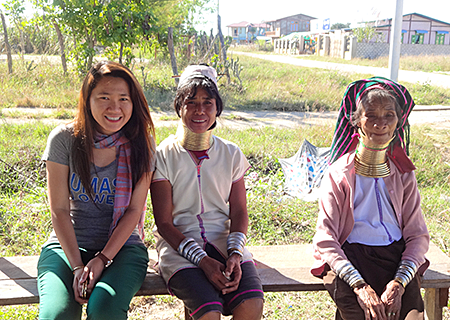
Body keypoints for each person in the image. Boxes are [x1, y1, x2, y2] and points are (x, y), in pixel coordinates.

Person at [37, 61, 155, 320]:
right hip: (67, 245)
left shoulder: (140, 144)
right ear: (87, 100)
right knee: (56, 314)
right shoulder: (64, 139)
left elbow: (134, 209)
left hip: (123, 247)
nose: (115, 108)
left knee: (105, 310)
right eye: (104, 97)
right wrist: (78, 266)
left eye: (123, 98)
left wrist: (102, 259)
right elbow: (58, 210)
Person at [150, 65, 264, 320]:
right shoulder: (164, 155)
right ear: (179, 106)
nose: (200, 110)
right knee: (208, 313)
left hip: (225, 242)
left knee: (251, 306)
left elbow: (239, 211)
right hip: (178, 246)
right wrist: (202, 261)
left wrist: (235, 254)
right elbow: (164, 223)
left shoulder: (231, 153)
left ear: (217, 108)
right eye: (191, 102)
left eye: (207, 102)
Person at [311, 77, 430, 320]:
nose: (381, 123)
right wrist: (360, 286)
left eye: (389, 115)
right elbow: (326, 239)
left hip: (395, 256)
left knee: (411, 316)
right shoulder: (339, 174)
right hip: (350, 256)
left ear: (399, 122)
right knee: (362, 315)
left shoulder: (403, 174)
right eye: (371, 115)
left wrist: (398, 283)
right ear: (356, 121)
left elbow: (417, 235)